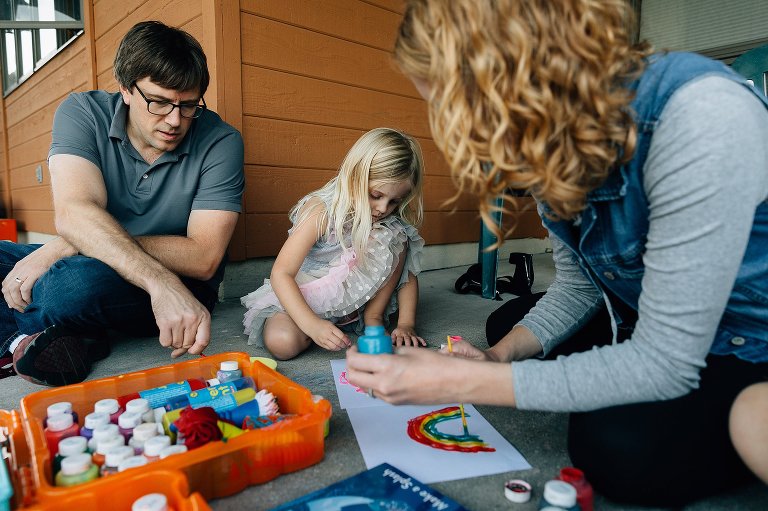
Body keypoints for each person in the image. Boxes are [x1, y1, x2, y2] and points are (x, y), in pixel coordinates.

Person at [346, 0, 768, 506]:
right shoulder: (550, 138)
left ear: (520, 74)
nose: (451, 128)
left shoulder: (701, 116)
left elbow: (665, 361)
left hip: (744, 340)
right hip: (639, 310)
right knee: (507, 330)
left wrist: (469, 380)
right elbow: (579, 285)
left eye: (454, 105)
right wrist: (496, 362)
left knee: (618, 448)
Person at [0, 21, 244, 387]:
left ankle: (37, 337)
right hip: (129, 271)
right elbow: (76, 210)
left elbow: (204, 258)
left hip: (181, 284)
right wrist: (72, 242)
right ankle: (38, 340)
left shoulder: (221, 141)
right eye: (159, 102)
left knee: (70, 283)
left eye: (189, 105)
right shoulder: (83, 112)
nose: (175, 120)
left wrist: (68, 246)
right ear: (126, 89)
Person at [242, 127, 426, 360]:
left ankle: (373, 318)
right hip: (305, 299)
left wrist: (406, 323)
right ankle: (313, 327)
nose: (383, 208)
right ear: (355, 176)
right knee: (282, 343)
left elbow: (406, 275)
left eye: (394, 201)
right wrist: (312, 326)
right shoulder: (321, 211)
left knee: (398, 236)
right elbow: (281, 273)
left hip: (355, 305)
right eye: (376, 195)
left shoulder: (388, 220)